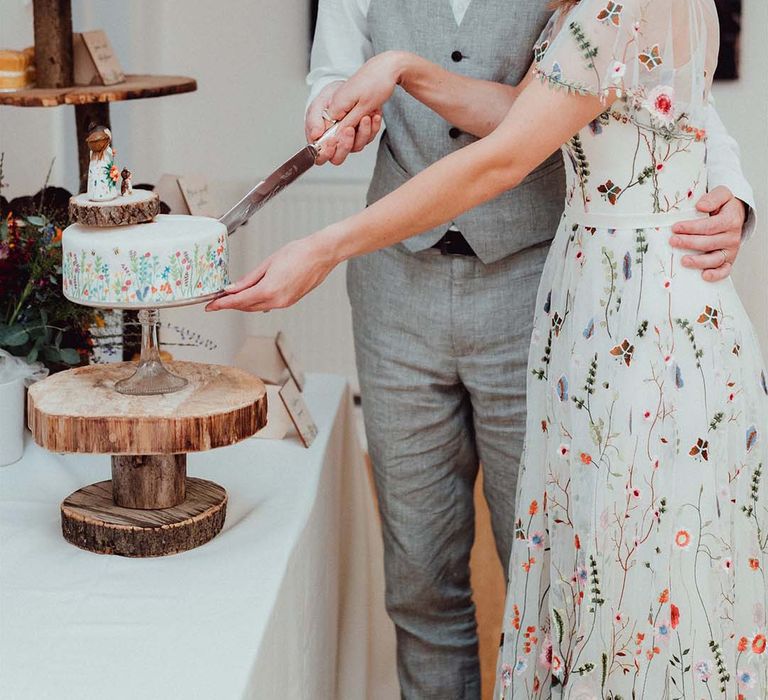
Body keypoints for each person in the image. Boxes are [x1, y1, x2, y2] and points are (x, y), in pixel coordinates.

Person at [209, 0, 766, 696]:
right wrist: (397, 72)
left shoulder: (612, 7)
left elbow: (521, 152)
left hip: (595, 314)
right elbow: (543, 108)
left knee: (591, 581)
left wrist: (322, 247)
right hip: (478, 301)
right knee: (468, 581)